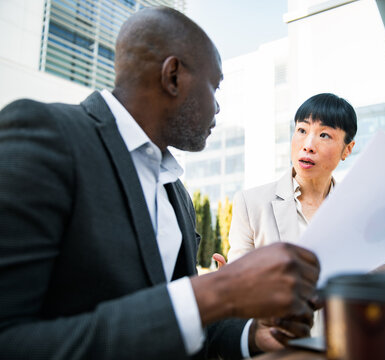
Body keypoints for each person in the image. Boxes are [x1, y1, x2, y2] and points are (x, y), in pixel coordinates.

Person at [0, 7, 320, 360]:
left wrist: (253, 335)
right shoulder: (46, 134)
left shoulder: (175, 190)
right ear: (173, 76)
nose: (217, 108)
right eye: (214, 88)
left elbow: (178, 316)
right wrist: (219, 290)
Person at [223, 93, 385, 335]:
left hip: (342, 344)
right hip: (279, 347)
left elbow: (377, 291)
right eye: (301, 130)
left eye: (324, 135)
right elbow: (239, 291)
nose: (308, 144)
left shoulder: (359, 211)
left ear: (347, 149)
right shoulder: (250, 203)